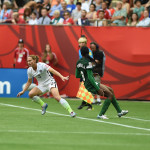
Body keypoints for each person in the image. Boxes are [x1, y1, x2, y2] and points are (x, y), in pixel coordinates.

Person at [75, 46, 128, 119]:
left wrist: (85, 74)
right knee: (109, 95)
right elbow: (90, 78)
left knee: (110, 90)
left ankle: (119, 112)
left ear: (81, 53)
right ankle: (100, 114)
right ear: (88, 53)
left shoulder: (78, 62)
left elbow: (77, 75)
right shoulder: (88, 63)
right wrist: (98, 88)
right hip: (91, 84)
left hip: (87, 83)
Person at [77, 36, 93, 110]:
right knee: (82, 86)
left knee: (86, 86)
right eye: (80, 42)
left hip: (87, 70)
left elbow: (90, 60)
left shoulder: (88, 51)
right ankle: (85, 103)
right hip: (82, 70)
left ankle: (88, 104)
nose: (81, 44)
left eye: (83, 42)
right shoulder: (79, 50)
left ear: (85, 43)